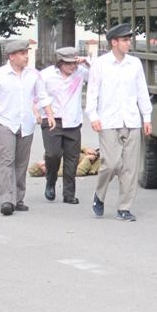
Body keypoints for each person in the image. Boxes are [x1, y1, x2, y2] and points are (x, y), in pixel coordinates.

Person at [0, 38, 55, 216]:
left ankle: (18, 198)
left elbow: (42, 96)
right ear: (11, 56)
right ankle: (6, 199)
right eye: (22, 53)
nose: (26, 56)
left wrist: (49, 115)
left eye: (26, 53)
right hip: (4, 123)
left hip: (26, 124)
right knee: (6, 160)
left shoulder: (33, 75)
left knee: (21, 163)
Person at [85, 23, 153, 222]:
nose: (128, 43)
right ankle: (99, 194)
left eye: (128, 40)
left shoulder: (135, 64)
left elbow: (142, 92)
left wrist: (146, 117)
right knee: (111, 163)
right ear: (114, 42)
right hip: (108, 120)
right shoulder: (101, 64)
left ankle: (124, 207)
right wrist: (93, 116)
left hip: (131, 120)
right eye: (124, 40)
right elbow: (92, 92)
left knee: (130, 168)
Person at [40, 47, 90, 204]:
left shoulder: (81, 72)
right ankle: (51, 180)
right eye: (68, 64)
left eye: (74, 63)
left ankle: (69, 193)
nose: (72, 67)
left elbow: (100, 75)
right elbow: (36, 95)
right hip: (51, 120)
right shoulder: (46, 75)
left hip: (73, 121)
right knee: (53, 154)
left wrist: (87, 62)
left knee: (72, 158)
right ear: (60, 62)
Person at [29, 147, 101, 178]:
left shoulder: (50, 155)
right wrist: (87, 159)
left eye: (40, 163)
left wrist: (85, 149)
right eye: (41, 167)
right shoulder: (57, 172)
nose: (43, 163)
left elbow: (69, 146)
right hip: (96, 162)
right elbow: (78, 171)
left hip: (92, 153)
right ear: (44, 172)